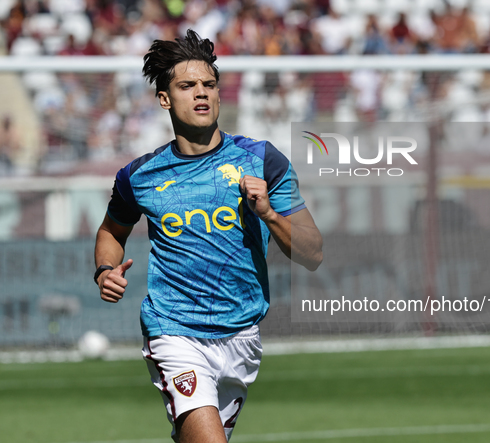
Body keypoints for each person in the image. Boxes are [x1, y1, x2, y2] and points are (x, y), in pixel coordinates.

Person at [93, 29, 323, 443]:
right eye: (187, 85)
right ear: (165, 98)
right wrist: (105, 269)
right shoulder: (139, 177)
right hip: (174, 330)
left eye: (209, 84)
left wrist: (268, 213)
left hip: (242, 335)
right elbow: (111, 231)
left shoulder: (262, 160)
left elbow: (313, 252)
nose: (201, 93)